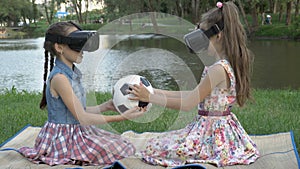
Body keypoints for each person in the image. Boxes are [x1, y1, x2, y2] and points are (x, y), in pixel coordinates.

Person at [129, 1, 260, 167]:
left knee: (153, 147)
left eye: (203, 36)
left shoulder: (218, 70)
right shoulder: (223, 65)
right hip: (218, 129)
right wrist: (153, 91)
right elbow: (194, 95)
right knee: (159, 143)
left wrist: (151, 98)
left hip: (211, 135)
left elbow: (188, 104)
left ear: (218, 35)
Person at [19, 21, 146, 166]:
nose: (82, 50)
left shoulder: (71, 74)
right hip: (64, 138)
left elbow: (78, 111)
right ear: (59, 47)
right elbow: (83, 117)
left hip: (77, 130)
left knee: (123, 143)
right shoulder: (60, 78)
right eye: (77, 44)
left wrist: (106, 106)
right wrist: (121, 117)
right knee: (122, 150)